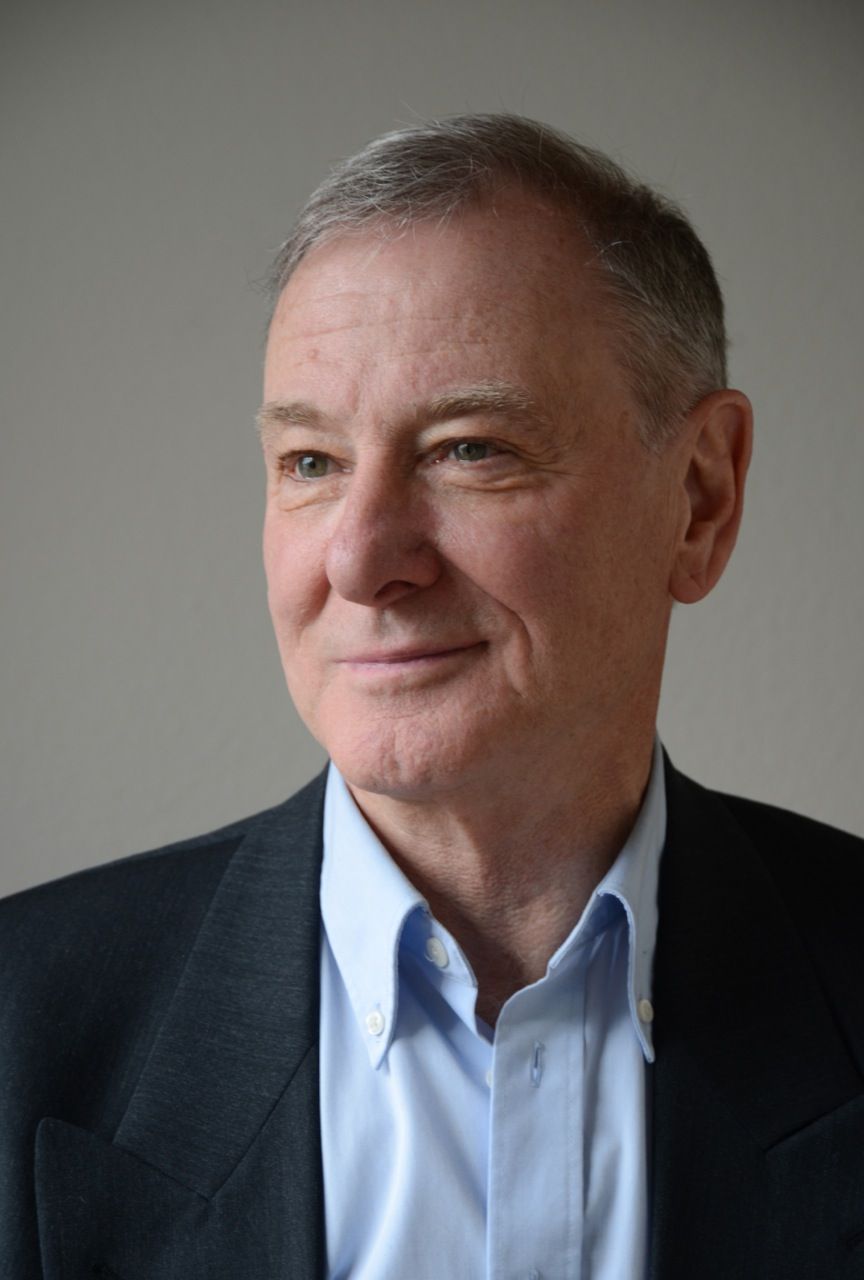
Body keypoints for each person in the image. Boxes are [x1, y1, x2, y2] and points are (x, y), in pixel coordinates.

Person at [2, 114, 863, 1280]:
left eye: (469, 449)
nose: (361, 559)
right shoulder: (20, 1023)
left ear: (700, 498)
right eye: (312, 463)